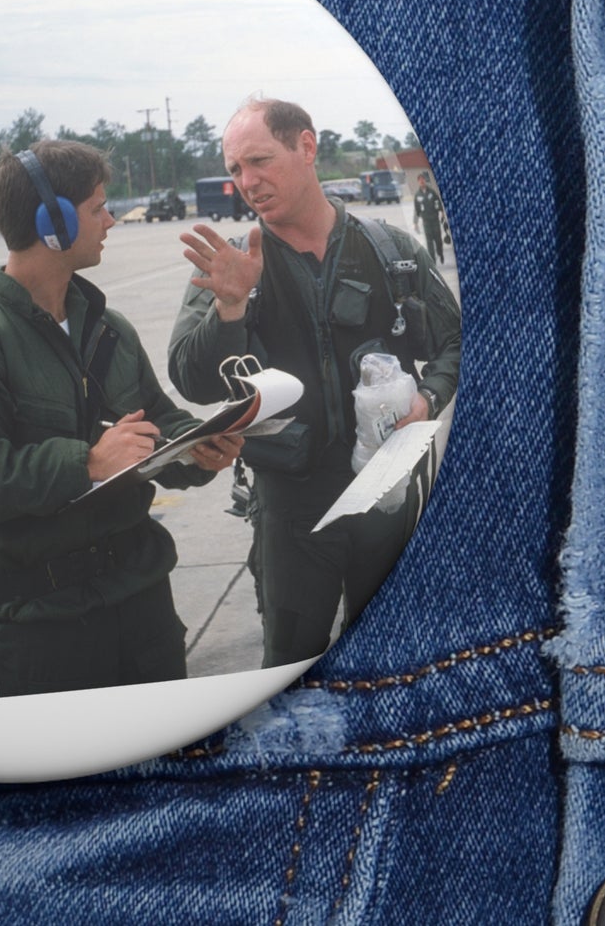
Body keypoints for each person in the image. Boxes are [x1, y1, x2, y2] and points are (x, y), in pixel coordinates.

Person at [0, 140, 241, 698]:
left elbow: (156, 419)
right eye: (97, 208)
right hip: (46, 630)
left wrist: (199, 446)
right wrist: (85, 462)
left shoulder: (108, 327)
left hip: (143, 604)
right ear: (54, 222)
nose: (110, 219)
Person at [169, 100, 461, 669]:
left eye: (259, 161)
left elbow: (456, 341)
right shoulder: (234, 265)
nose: (247, 183)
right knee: (290, 662)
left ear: (306, 147)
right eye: (234, 170)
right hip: (291, 508)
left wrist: (428, 398)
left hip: (388, 491)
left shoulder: (390, 250)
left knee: (392, 663)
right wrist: (228, 308)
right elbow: (191, 379)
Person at [414, 169, 448, 264]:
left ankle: (440, 253)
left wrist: (442, 212)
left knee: (438, 240)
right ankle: (433, 261)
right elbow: (416, 210)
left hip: (435, 220)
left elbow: (438, 203)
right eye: (420, 180)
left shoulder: (432, 192)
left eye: (423, 179)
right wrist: (415, 222)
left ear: (425, 180)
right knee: (429, 242)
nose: (421, 181)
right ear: (418, 182)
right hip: (426, 222)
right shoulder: (417, 195)